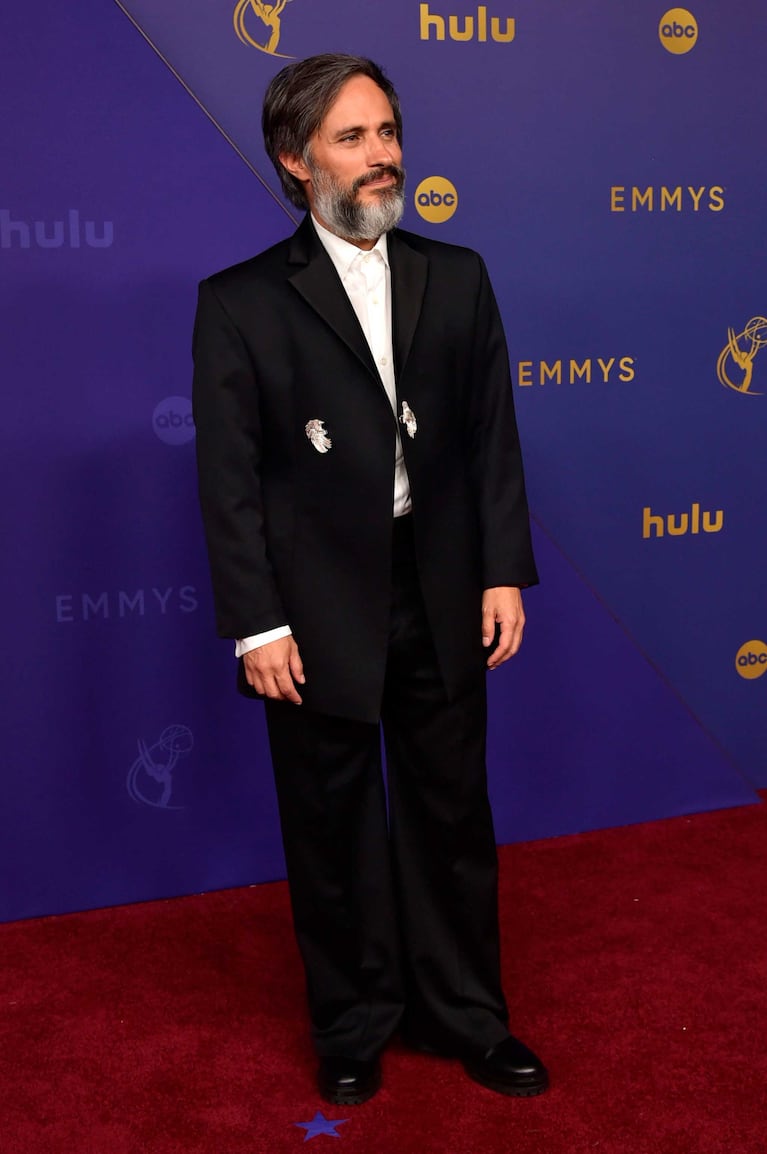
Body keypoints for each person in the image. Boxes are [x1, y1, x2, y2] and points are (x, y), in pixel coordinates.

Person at [192, 53, 547, 1105]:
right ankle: (352, 1022)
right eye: (351, 137)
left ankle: (467, 1015)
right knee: (331, 820)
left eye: (386, 130)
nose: (381, 153)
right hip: (312, 609)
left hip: (439, 589)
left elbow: (490, 440)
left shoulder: (460, 275)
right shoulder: (240, 302)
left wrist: (500, 572)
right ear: (296, 162)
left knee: (450, 813)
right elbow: (229, 479)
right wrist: (257, 625)